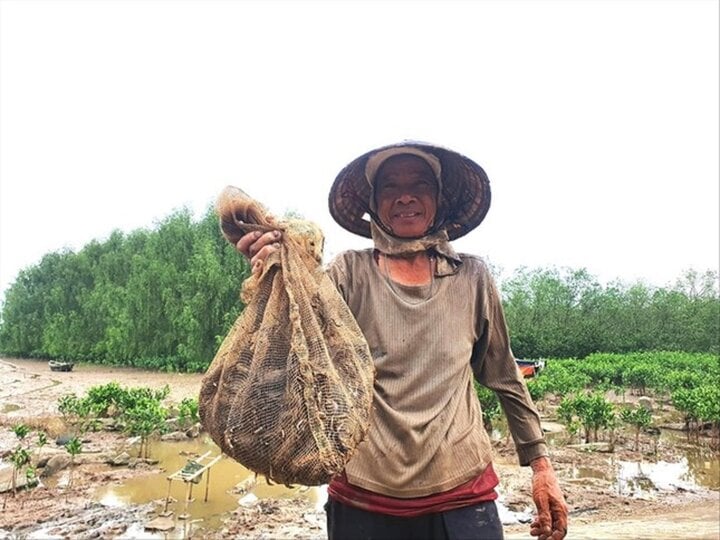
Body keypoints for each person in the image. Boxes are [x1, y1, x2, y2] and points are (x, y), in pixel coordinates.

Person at [236, 141, 568, 540]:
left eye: (420, 184)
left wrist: (541, 466)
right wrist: (275, 265)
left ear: (440, 199)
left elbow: (505, 377)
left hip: (461, 495)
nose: (405, 196)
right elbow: (298, 338)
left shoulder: (472, 278)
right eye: (390, 186)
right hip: (364, 497)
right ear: (373, 203)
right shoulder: (349, 274)